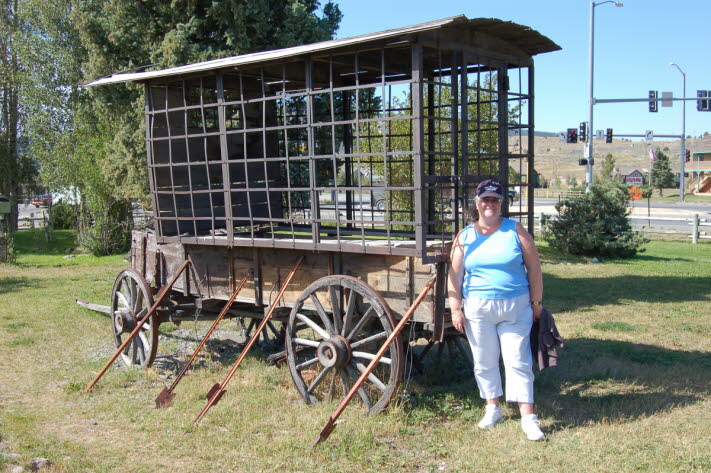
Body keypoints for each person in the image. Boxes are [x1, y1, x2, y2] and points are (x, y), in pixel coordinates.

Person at [447, 179, 545, 441]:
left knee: (518, 361)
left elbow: (534, 268)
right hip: (478, 309)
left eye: (495, 200)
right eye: (485, 200)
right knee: (484, 361)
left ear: (502, 204)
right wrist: (456, 308)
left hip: (515, 308)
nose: (489, 204)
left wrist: (536, 302)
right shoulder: (465, 235)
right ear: (476, 204)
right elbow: (455, 275)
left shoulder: (516, 231)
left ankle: (528, 418)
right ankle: (493, 408)